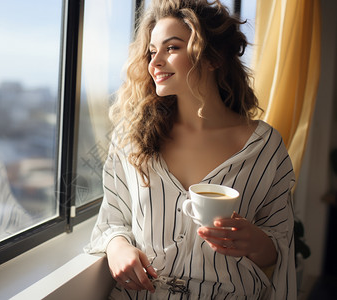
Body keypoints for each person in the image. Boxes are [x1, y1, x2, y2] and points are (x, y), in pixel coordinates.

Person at [84, 0, 296, 299]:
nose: (155, 62)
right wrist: (118, 247)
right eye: (152, 51)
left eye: (172, 48)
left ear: (212, 58)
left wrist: (255, 242)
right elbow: (113, 219)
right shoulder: (131, 140)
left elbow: (280, 247)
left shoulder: (264, 147)